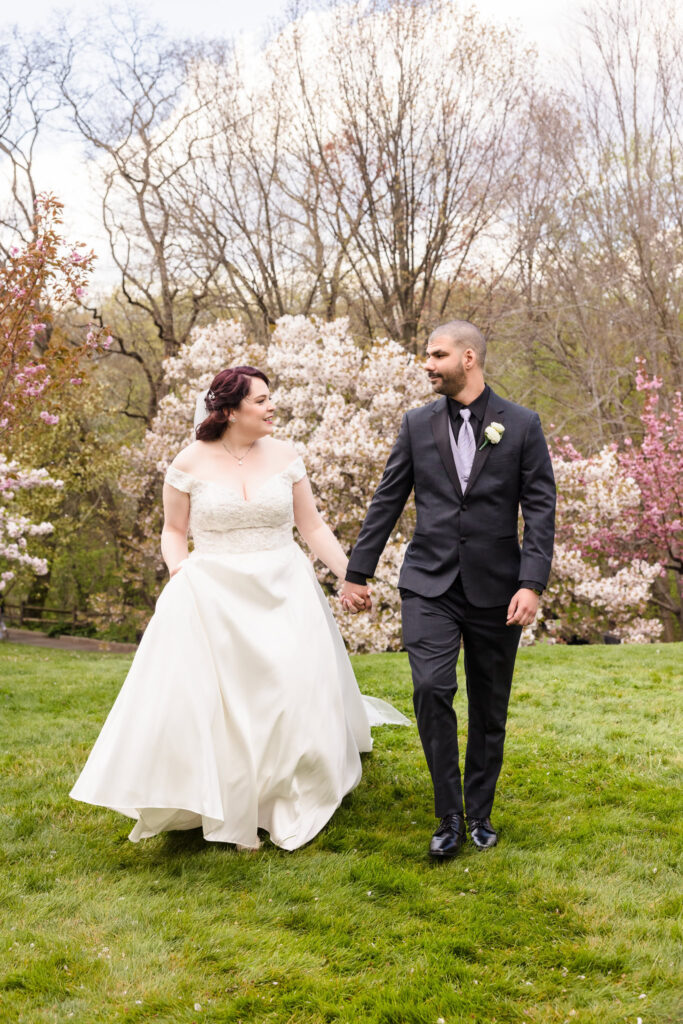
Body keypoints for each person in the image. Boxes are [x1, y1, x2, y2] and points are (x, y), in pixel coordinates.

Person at [71, 366, 408, 851]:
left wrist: (347, 575)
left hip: (284, 585)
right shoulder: (188, 461)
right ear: (230, 410)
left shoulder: (286, 455)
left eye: (271, 399)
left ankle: (286, 793)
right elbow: (173, 531)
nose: (272, 408)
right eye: (262, 400)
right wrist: (180, 572)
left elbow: (311, 526)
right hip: (216, 591)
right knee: (231, 700)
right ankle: (230, 794)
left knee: (290, 688)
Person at [340, 321, 556, 857]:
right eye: (426, 355)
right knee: (432, 690)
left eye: (436, 355)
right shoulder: (416, 425)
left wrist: (532, 583)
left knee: (489, 706)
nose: (427, 365)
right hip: (429, 585)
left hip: (497, 589)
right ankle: (449, 816)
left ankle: (480, 814)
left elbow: (541, 510)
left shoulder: (522, 425)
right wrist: (356, 571)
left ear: (468, 358)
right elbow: (387, 500)